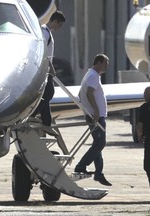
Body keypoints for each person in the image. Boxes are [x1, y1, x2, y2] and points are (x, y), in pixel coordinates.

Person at [74, 54, 112, 186]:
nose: (107, 66)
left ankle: (99, 173)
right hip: (96, 116)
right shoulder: (93, 76)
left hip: (94, 115)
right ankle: (81, 166)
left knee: (98, 143)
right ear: (99, 62)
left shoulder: (90, 75)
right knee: (100, 144)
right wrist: (95, 110)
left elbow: (80, 94)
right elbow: (89, 92)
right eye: (106, 63)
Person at [32, 10, 66, 137]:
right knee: (48, 93)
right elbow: (44, 53)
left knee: (47, 95)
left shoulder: (46, 32)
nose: (59, 28)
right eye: (60, 24)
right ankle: (36, 117)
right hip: (45, 70)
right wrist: (51, 68)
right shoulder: (45, 32)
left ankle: (46, 122)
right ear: (55, 21)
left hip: (46, 70)